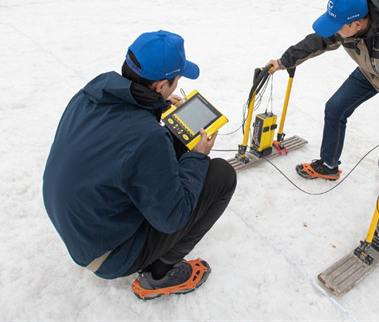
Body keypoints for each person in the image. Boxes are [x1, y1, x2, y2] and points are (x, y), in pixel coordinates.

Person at [42, 31, 236, 299]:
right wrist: (198, 156)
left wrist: (157, 105)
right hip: (109, 255)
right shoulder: (146, 137)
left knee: (173, 138)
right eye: (176, 81)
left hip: (82, 229)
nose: (177, 84)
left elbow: (124, 142)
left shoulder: (89, 96)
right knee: (221, 175)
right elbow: (174, 218)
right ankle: (160, 273)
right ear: (159, 85)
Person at [266, 0, 379, 198]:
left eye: (337, 28)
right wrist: (283, 62)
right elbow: (318, 40)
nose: (334, 32)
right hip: (367, 75)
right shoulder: (347, 24)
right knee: (335, 108)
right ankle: (328, 165)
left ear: (356, 24)